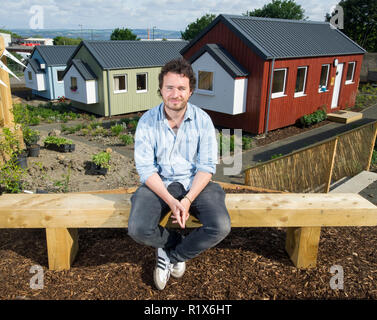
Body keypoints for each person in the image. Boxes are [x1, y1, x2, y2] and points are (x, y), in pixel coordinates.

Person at [127, 58, 231, 290]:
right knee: (138, 229)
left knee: (220, 226)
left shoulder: (203, 120)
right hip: (159, 183)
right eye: (169, 87)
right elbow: (146, 169)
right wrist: (171, 201)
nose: (175, 94)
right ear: (161, 90)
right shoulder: (146, 122)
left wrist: (187, 199)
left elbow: (206, 167)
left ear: (190, 91)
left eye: (181, 88)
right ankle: (170, 243)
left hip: (196, 183)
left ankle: (173, 256)